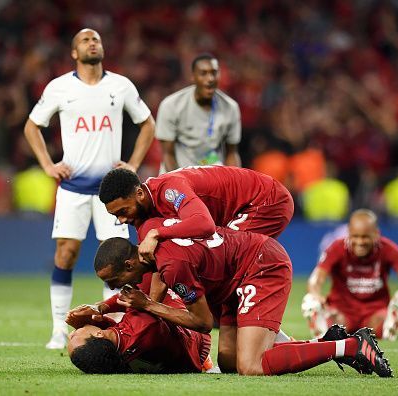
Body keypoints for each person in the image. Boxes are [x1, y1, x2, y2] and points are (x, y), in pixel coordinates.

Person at [95, 217, 392, 377]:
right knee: (230, 362)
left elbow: (201, 321)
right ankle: (326, 343)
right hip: (233, 276)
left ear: (130, 265)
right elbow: (141, 294)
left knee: (251, 367)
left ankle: (350, 346)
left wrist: (148, 305)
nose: (112, 287)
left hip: (260, 264)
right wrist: (101, 309)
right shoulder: (154, 253)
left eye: (113, 280)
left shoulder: (172, 265)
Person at [23, 28, 155, 349]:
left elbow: (148, 125)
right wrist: (47, 165)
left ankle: (118, 324)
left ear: (102, 48)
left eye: (96, 39)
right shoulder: (59, 88)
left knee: (118, 259)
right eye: (85, 40)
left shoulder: (120, 86)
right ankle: (58, 329)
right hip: (73, 187)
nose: (92, 42)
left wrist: (134, 166)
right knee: (66, 254)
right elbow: (32, 126)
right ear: (74, 52)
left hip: (112, 192)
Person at [98, 166, 293, 263]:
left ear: (139, 193)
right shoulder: (142, 216)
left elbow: (204, 224)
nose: (122, 220)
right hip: (240, 209)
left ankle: (263, 337)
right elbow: (153, 268)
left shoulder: (169, 189)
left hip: (265, 199)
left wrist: (156, 233)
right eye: (116, 215)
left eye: (123, 211)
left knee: (226, 265)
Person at [302, 209, 398, 341]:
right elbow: (315, 280)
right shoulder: (336, 248)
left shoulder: (389, 249)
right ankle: (322, 333)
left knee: (391, 311)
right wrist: (316, 294)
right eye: (355, 236)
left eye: (365, 237)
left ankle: (389, 328)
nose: (360, 242)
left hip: (374, 314)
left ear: (376, 234)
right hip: (342, 312)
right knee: (311, 302)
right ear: (348, 233)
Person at [66, 273, 212, 374]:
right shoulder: (143, 325)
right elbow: (131, 297)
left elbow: (116, 334)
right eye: (73, 336)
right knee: (147, 279)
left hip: (176, 352)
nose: (71, 333)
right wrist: (101, 307)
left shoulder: (112, 357)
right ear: (98, 334)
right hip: (195, 336)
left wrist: (96, 319)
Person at [155, 53, 241, 173]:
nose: (210, 79)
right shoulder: (171, 105)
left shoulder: (231, 108)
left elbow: (232, 152)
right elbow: (168, 154)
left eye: (214, 73)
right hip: (177, 173)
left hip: (212, 174)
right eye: (203, 73)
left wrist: (235, 182)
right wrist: (178, 185)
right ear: (193, 76)